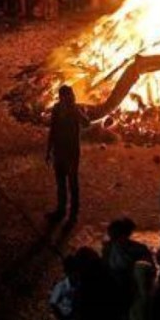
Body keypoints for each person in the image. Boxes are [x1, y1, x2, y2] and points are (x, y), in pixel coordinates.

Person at [46, 85, 90, 224]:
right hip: (59, 151)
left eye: (69, 96)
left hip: (71, 152)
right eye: (65, 96)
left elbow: (86, 123)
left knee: (72, 183)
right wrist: (48, 150)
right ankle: (61, 210)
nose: (67, 98)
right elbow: (52, 130)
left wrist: (79, 112)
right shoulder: (56, 109)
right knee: (61, 184)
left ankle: (73, 214)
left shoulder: (75, 110)